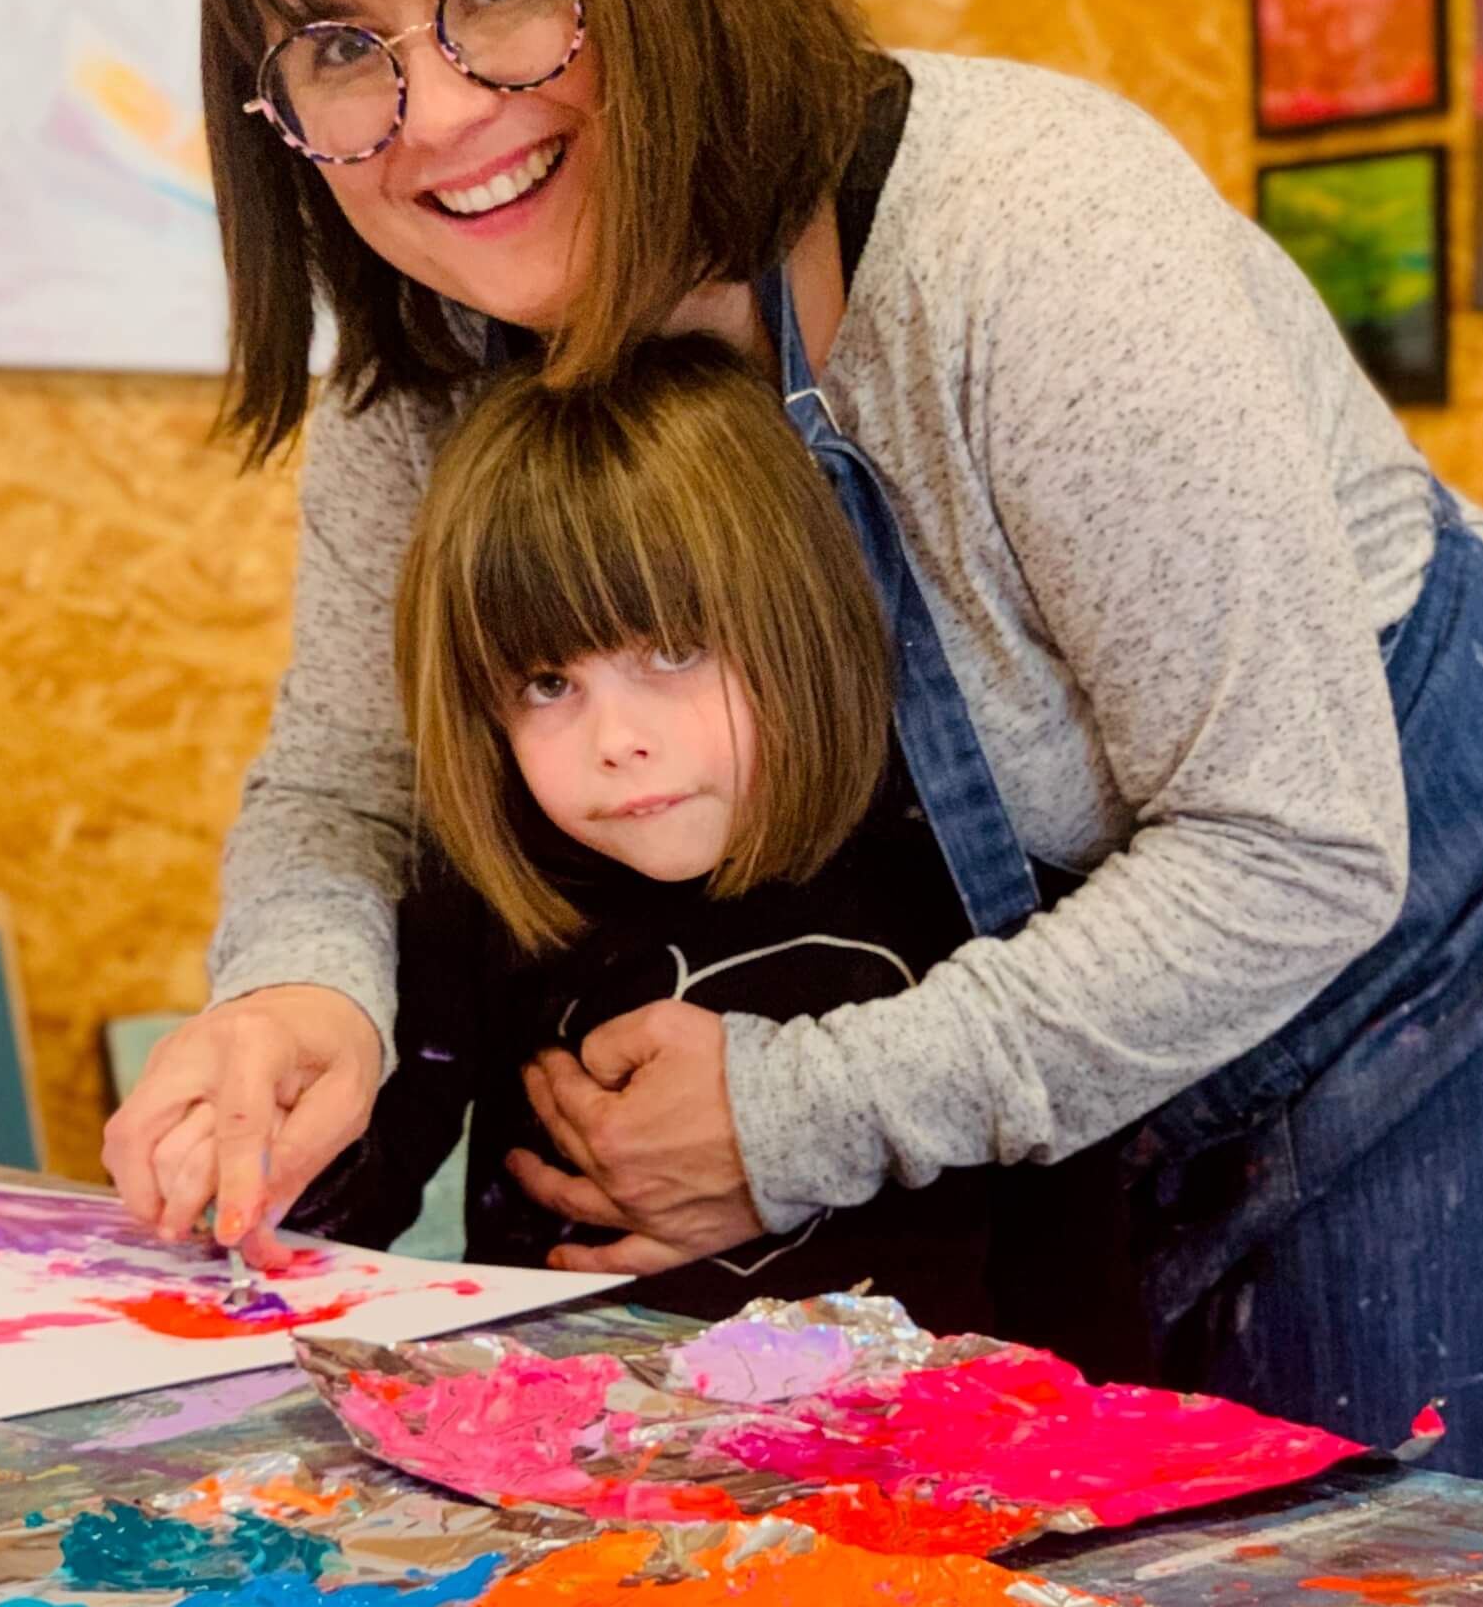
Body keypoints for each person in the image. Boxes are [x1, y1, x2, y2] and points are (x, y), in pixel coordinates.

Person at [104, 0, 1483, 1499]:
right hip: (1031, 992)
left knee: (1386, 1560)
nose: (436, 114)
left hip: (1362, 901)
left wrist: (798, 1114)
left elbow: (1290, 846)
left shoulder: (1032, 242)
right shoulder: (425, 377)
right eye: (341, 50)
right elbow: (343, 797)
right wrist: (302, 988)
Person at [285, 336, 1075, 1334]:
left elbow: (1075, 1271)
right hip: (575, 1464)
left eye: (673, 650)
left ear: (805, 623)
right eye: (548, 684)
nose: (617, 743)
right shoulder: (477, 908)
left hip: (934, 1472)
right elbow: (333, 1218)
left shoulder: (965, 880)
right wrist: (257, 1141)